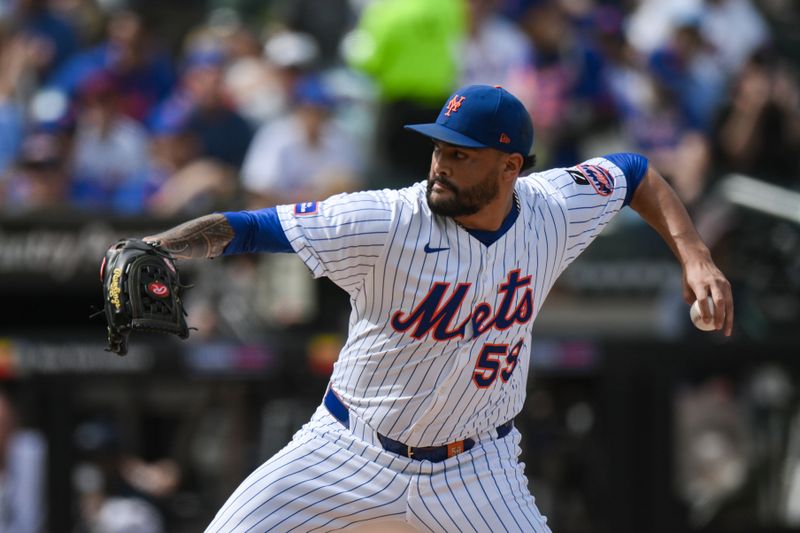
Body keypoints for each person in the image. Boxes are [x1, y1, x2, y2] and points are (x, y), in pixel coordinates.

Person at [142, 84, 733, 532]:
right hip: (347, 449)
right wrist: (157, 248)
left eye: (463, 155)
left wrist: (696, 256)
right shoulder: (386, 219)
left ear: (511, 167)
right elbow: (249, 228)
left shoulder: (555, 208)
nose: (441, 165)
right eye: (440, 149)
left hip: (477, 471)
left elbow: (633, 173)